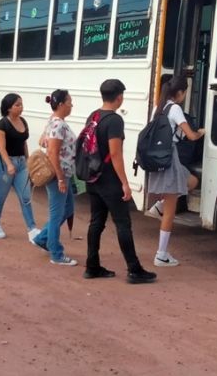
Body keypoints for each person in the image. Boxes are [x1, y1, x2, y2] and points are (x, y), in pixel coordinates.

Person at [84, 79, 156, 284]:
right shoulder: (114, 120)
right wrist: (124, 182)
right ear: (119, 97)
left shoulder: (94, 116)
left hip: (94, 177)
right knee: (123, 223)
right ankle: (134, 269)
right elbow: (115, 153)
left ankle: (92, 265)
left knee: (96, 222)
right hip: (109, 180)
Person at [145, 76, 204, 267]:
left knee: (190, 182)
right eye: (185, 92)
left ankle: (160, 205)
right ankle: (161, 254)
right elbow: (191, 135)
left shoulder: (158, 108)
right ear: (180, 93)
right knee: (171, 210)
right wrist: (201, 133)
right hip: (171, 159)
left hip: (161, 158)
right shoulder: (175, 108)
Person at [31, 89, 78, 266]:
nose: (71, 105)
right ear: (60, 105)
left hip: (62, 174)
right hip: (60, 174)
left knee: (66, 210)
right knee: (57, 213)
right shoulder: (59, 125)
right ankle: (56, 253)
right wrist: (60, 178)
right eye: (69, 102)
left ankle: (43, 239)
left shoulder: (53, 121)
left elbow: (43, 141)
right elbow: (52, 152)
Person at [0, 93, 40, 243]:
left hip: (21, 163)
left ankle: (32, 229)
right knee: (1, 197)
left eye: (21, 104)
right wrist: (9, 164)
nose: (21, 107)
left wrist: (28, 160)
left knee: (25, 197)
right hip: (4, 165)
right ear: (8, 108)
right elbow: (1, 147)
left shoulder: (23, 121)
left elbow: (23, 142)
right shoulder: (2, 124)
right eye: (17, 105)